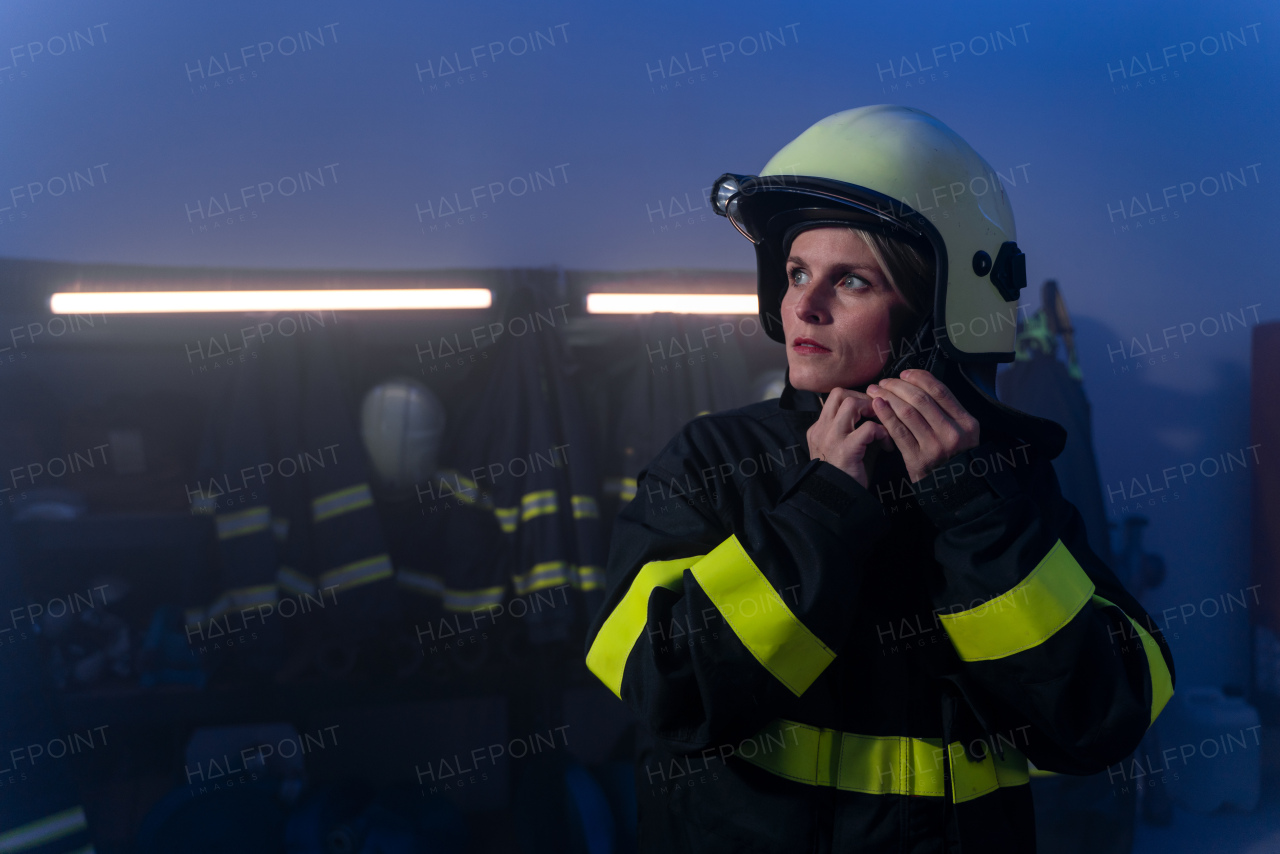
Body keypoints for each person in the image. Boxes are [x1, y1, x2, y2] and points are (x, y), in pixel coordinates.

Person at [583, 106, 1175, 853]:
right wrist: (823, 507)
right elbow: (665, 690)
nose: (803, 303)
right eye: (796, 272)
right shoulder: (713, 460)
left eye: (852, 281)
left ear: (937, 310)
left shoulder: (998, 484)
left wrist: (972, 516)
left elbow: (1106, 717)